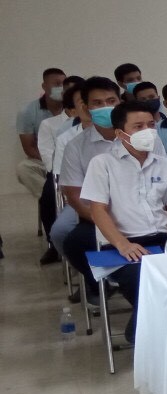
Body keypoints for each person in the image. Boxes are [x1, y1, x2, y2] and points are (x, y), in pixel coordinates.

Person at [70, 100, 167, 344]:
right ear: (120, 133)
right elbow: (98, 210)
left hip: (162, 240)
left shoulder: (166, 165)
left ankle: (149, 331)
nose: (147, 131)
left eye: (150, 125)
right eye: (138, 127)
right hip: (123, 245)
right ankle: (147, 335)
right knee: (145, 279)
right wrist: (122, 244)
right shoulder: (102, 164)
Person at [53, 77, 138, 305]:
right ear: (86, 107)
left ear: (120, 102)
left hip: (142, 213)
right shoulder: (76, 146)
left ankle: (129, 284)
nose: (105, 107)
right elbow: (75, 196)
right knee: (74, 242)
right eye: (97, 103)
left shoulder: (141, 138)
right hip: (97, 215)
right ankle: (99, 282)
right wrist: (107, 222)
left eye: (111, 101)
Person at [35, 76, 82, 263]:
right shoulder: (61, 130)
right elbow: (49, 156)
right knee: (48, 197)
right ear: (71, 107)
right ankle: (52, 246)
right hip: (63, 175)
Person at [17, 68, 65, 198]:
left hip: (71, 158)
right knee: (24, 168)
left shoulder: (73, 107)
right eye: (57, 84)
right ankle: (52, 197)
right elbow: (29, 148)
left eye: (64, 83)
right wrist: (52, 162)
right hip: (44, 159)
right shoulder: (27, 111)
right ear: (44, 86)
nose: (61, 87)